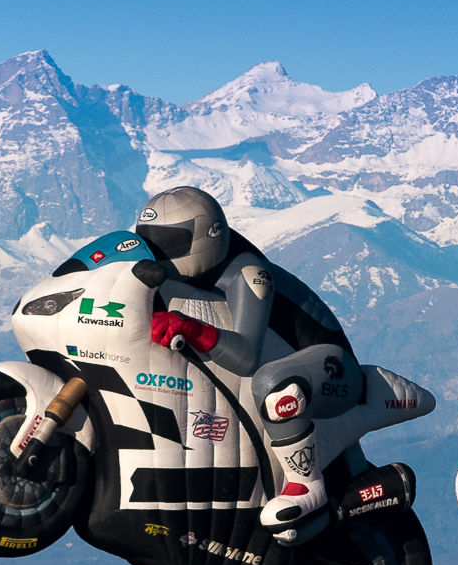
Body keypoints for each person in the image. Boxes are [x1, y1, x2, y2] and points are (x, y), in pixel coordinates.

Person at [133, 186, 357, 542]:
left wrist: (190, 327)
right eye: (148, 241)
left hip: (332, 370)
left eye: (168, 243)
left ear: (207, 236)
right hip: (293, 373)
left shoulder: (250, 273)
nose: (158, 253)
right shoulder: (180, 272)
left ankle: (307, 485)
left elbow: (245, 356)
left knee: (273, 381)